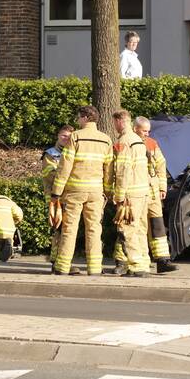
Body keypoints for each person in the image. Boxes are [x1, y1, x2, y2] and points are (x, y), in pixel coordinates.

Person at [50, 105, 113, 275]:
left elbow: (65, 166)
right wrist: (107, 192)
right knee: (94, 229)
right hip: (96, 192)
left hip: (75, 191)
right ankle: (94, 268)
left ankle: (62, 267)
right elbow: (109, 169)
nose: (77, 120)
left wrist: (56, 191)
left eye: (79, 117)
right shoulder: (106, 139)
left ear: (85, 118)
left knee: (69, 229)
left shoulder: (76, 137)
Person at [109, 111, 153, 277]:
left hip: (130, 194)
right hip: (142, 193)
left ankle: (136, 266)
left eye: (114, 122)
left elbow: (122, 170)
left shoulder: (124, 142)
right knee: (141, 229)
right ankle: (144, 263)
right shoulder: (139, 141)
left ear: (120, 121)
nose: (114, 126)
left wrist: (119, 196)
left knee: (127, 229)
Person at [133, 116, 177, 273]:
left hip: (152, 192)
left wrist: (162, 187)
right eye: (144, 130)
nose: (147, 133)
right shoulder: (128, 142)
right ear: (135, 129)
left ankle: (162, 260)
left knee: (158, 225)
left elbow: (160, 164)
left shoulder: (152, 143)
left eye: (148, 131)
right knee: (138, 226)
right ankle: (140, 261)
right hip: (137, 192)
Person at [41, 124, 74, 263]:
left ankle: (64, 259)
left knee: (69, 229)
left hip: (71, 195)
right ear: (58, 136)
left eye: (69, 137)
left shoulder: (74, 152)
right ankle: (56, 260)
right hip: (55, 196)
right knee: (58, 229)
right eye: (63, 136)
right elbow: (50, 174)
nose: (66, 139)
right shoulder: (50, 154)